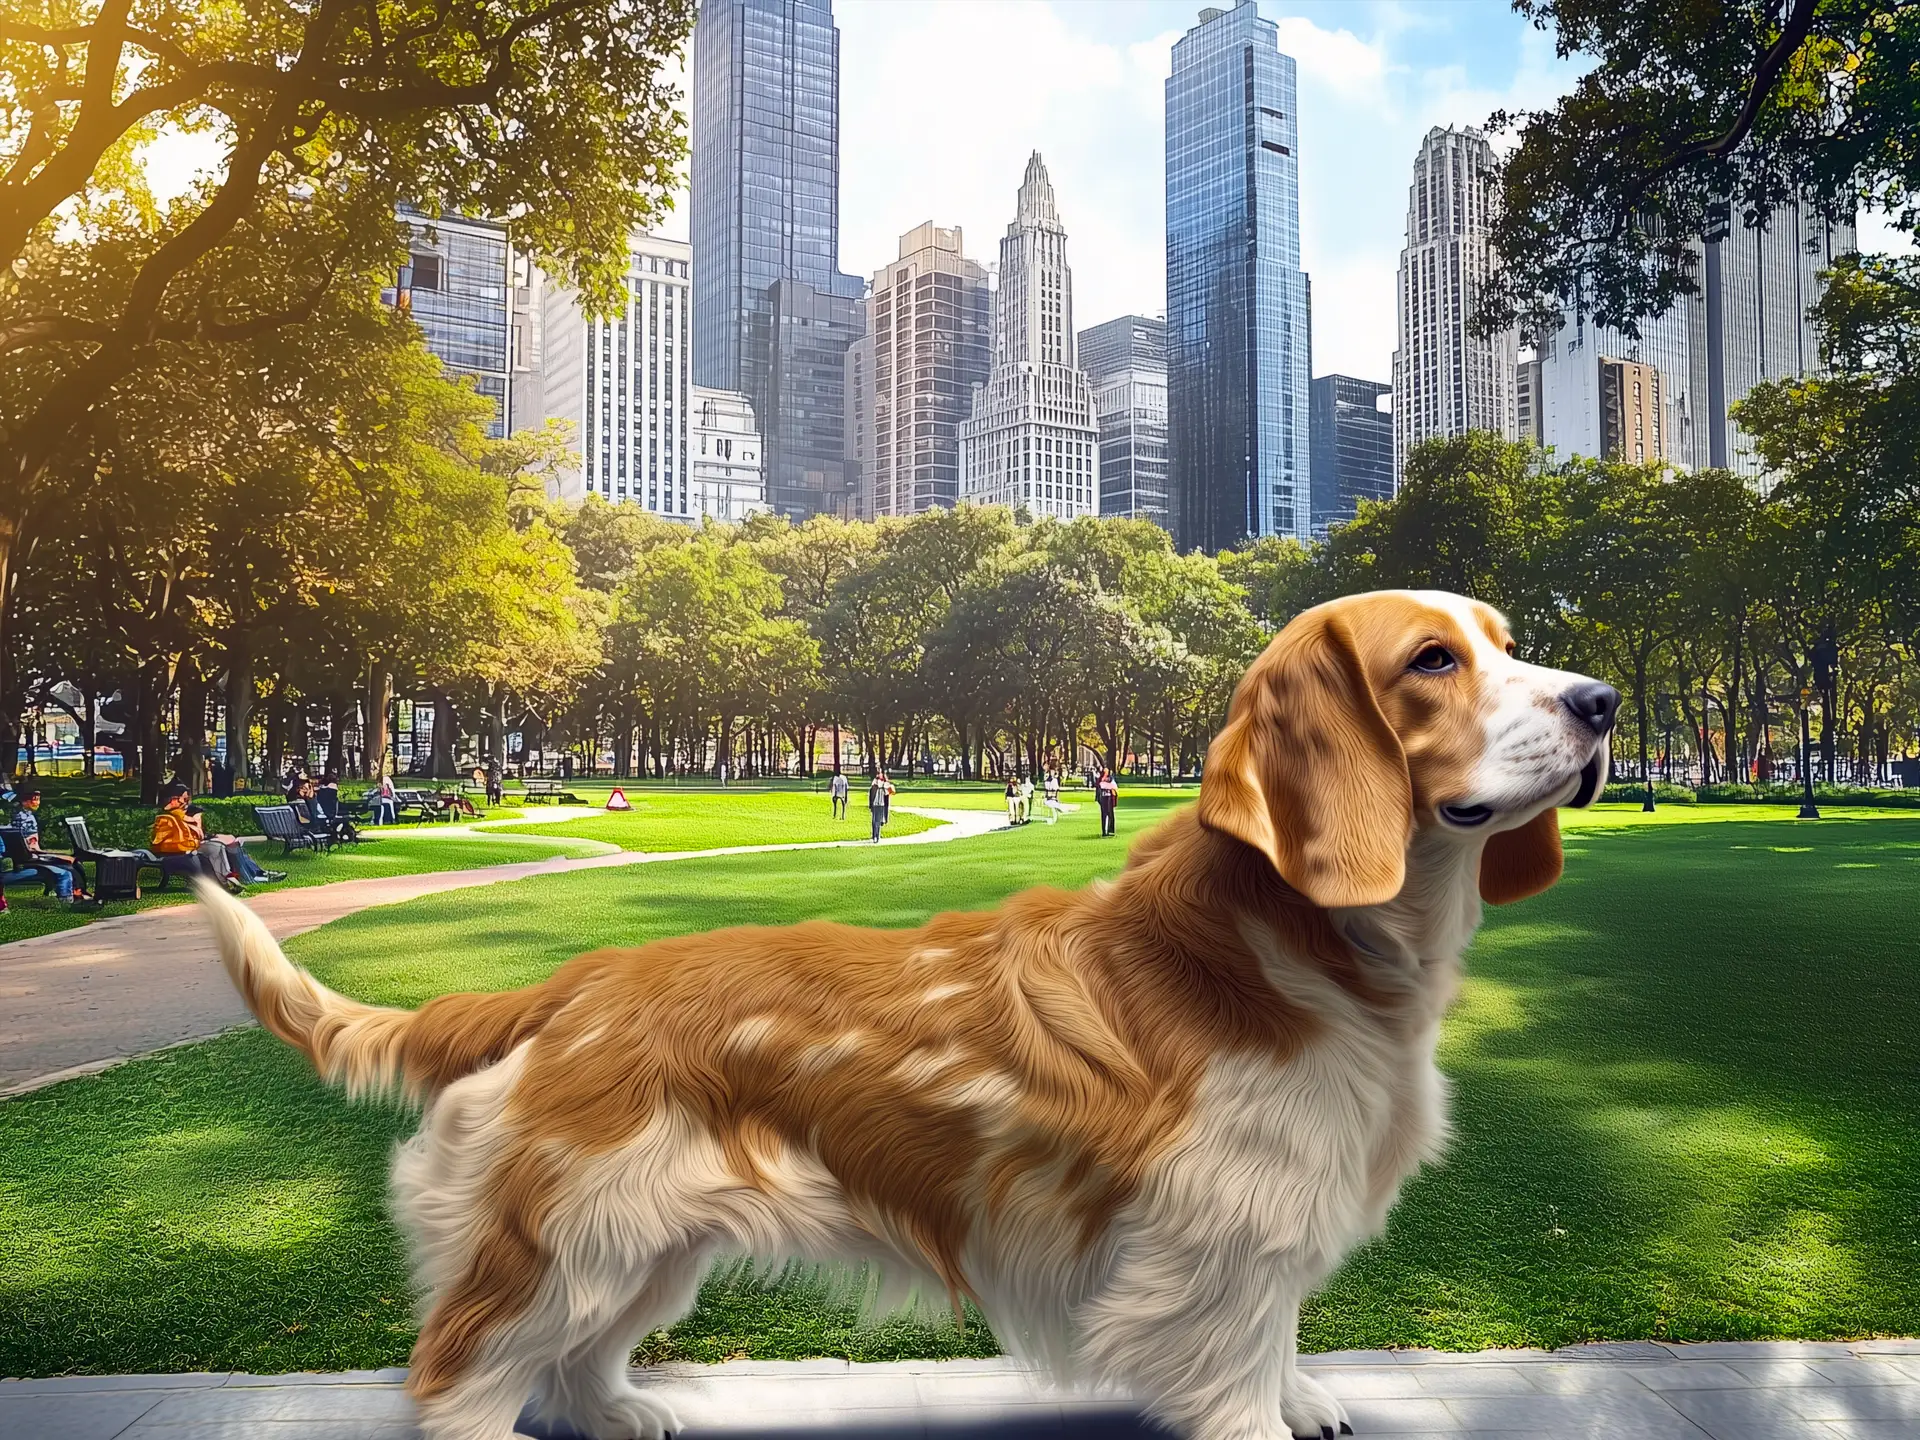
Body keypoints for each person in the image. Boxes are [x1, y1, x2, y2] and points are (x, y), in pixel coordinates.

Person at [151, 783, 284, 891]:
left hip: (196, 842)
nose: (186, 802)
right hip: (190, 846)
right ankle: (244, 877)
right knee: (224, 845)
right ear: (174, 799)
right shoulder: (167, 817)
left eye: (187, 798)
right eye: (183, 799)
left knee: (230, 844)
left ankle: (251, 875)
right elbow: (170, 838)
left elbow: (200, 832)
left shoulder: (192, 812)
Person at [9, 786, 92, 904]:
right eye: (34, 799)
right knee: (70, 865)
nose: (37, 803)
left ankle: (79, 892)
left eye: (38, 799)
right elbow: (31, 847)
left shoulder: (22, 815)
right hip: (31, 857)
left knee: (73, 863)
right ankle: (75, 896)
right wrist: (53, 855)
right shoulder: (25, 818)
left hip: (31, 854)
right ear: (24, 801)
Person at [867, 769, 893, 843]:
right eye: (878, 773)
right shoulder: (875, 782)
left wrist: (886, 787)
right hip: (875, 804)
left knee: (877, 821)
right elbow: (871, 793)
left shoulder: (884, 783)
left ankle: (876, 836)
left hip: (881, 804)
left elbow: (889, 793)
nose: (878, 775)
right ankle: (875, 835)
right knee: (874, 821)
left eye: (879, 773)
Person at [1095, 768, 1119, 837]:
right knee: (1104, 815)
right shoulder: (1100, 779)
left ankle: (1110, 830)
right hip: (1103, 798)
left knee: (1110, 814)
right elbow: (1100, 786)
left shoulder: (1110, 779)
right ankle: (1104, 831)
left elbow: (1113, 786)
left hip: (1109, 798)